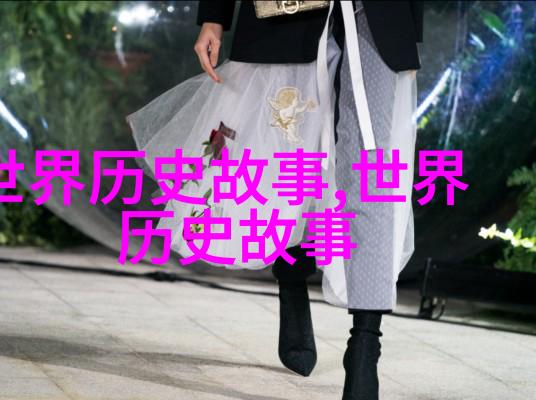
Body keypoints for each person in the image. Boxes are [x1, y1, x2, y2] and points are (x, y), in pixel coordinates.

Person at [127, 1, 422, 399]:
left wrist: (409, 26)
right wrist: (214, 16)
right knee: (286, 152)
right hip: (288, 9)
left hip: (378, 15)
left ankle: (365, 344)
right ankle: (291, 275)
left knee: (370, 168)